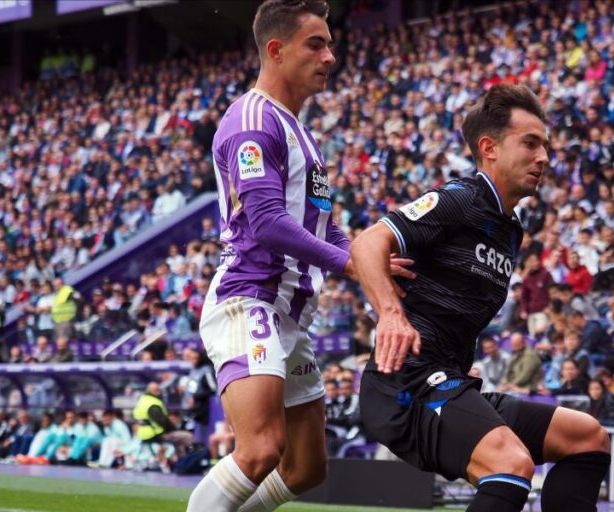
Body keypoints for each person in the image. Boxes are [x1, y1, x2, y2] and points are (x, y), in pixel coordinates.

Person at [187, 3, 413, 511]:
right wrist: (351, 264)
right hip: (252, 299)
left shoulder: (298, 131)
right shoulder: (251, 119)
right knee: (260, 449)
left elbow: (325, 224)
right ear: (276, 49)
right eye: (316, 43)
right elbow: (267, 221)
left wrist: (366, 260)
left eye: (330, 44)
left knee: (307, 466)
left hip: (290, 313)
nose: (330, 56)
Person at [352, 84, 610, 512]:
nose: (544, 157)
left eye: (545, 145)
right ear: (489, 148)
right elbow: (367, 244)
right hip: (406, 383)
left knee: (587, 437)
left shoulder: (510, 229)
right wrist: (392, 315)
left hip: (449, 381)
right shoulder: (461, 199)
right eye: (530, 143)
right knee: (510, 463)